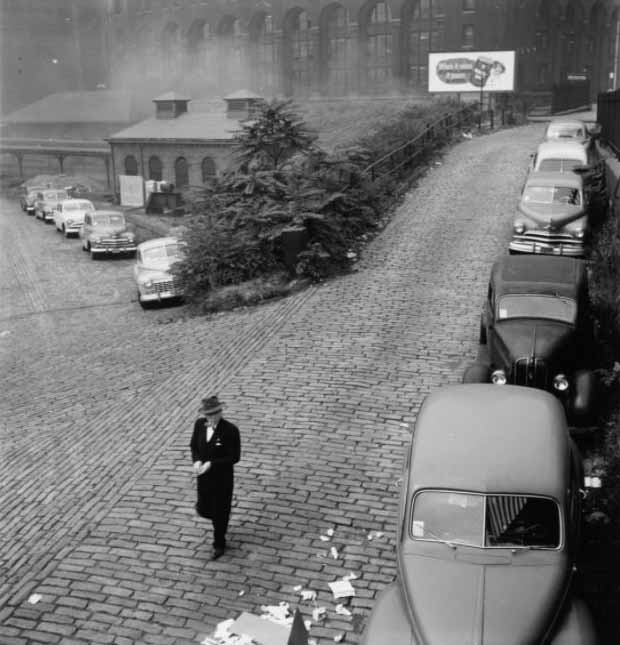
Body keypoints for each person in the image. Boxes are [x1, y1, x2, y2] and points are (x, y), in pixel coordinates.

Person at [190, 395, 241, 560]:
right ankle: (218, 528)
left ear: (220, 412)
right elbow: (194, 446)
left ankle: (219, 543)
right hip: (204, 477)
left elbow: (234, 457)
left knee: (220, 511)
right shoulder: (199, 425)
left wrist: (212, 464)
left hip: (221, 479)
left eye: (213, 414)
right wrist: (197, 461)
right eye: (208, 415)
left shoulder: (230, 430)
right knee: (206, 507)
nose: (210, 418)